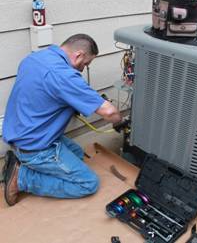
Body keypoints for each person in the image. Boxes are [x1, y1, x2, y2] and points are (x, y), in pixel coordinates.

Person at [2, 34, 122, 206]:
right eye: (86, 64)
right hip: (35, 146)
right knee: (88, 183)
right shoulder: (62, 75)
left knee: (79, 155)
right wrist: (119, 122)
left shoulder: (35, 58)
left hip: (23, 133)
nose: (83, 69)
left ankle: (19, 164)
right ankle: (22, 178)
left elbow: (44, 94)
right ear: (78, 55)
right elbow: (109, 112)